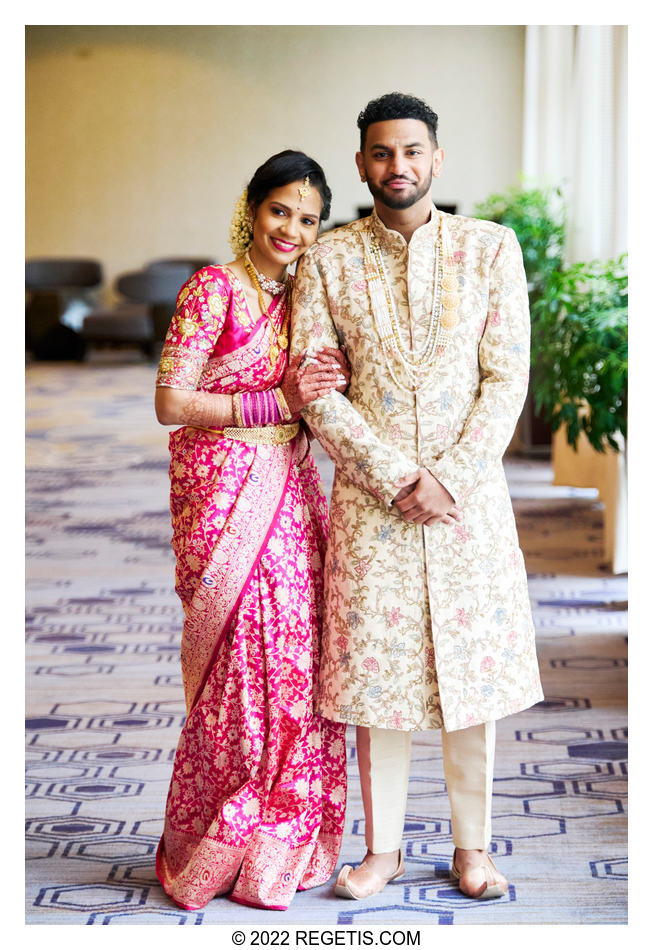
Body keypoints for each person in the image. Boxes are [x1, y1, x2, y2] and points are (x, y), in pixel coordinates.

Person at [290, 93, 544, 901]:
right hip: (375, 506)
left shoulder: (489, 250)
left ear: (436, 158)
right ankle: (383, 851)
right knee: (378, 683)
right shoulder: (327, 260)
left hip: (466, 503)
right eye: (379, 153)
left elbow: (506, 379)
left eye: (410, 151)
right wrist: (399, 477)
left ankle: (473, 849)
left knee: (473, 678)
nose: (395, 166)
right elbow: (315, 387)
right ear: (361, 164)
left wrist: (452, 478)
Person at [154, 150, 349, 911]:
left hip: (291, 492)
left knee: (296, 650)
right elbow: (172, 402)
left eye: (308, 219)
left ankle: (281, 824)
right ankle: (221, 828)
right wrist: (269, 406)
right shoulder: (214, 289)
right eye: (280, 211)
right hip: (220, 489)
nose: (291, 229)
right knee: (239, 658)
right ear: (252, 208)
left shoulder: (310, 296)